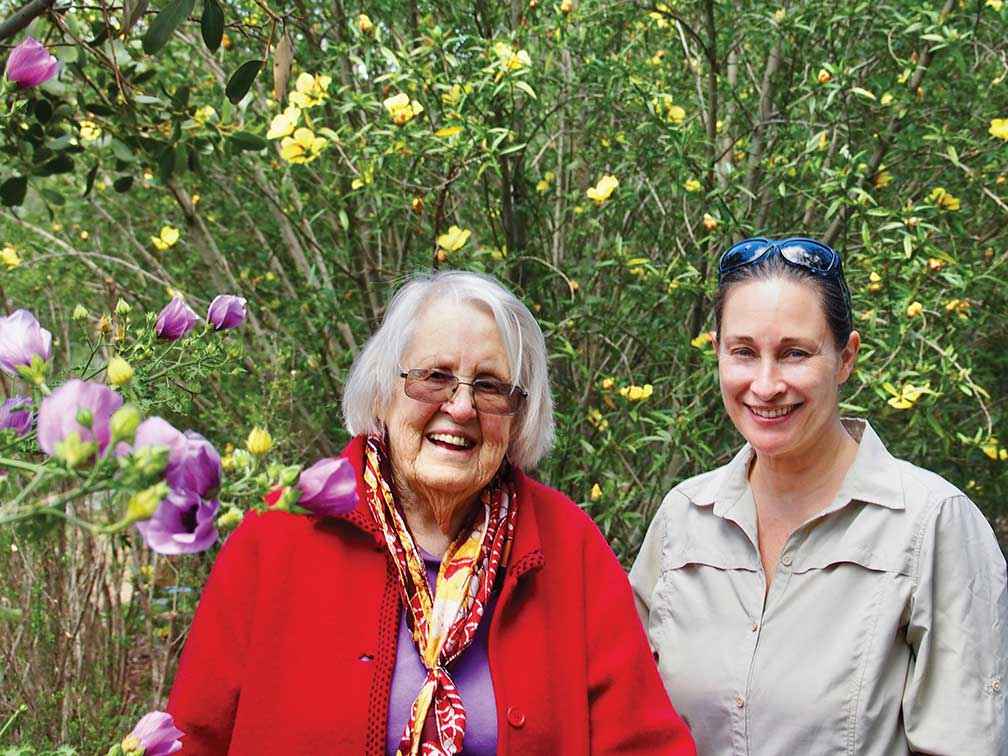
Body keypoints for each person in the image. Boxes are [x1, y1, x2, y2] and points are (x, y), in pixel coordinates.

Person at [169, 270, 696, 755]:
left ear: (519, 416)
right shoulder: (283, 531)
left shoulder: (567, 545)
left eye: (490, 386)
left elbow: (642, 743)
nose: (461, 407)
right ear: (382, 393)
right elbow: (195, 736)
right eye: (434, 377)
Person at [631, 237, 1008, 755]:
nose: (765, 385)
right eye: (744, 352)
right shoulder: (683, 519)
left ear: (845, 357)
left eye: (794, 354)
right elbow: (626, 720)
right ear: (716, 352)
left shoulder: (931, 524)